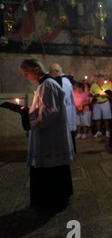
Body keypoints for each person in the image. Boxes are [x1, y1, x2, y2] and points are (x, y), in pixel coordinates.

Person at [19, 58, 75, 210]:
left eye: (26, 72)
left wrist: (27, 113)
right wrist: (30, 110)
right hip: (50, 134)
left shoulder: (48, 85)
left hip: (51, 137)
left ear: (36, 70)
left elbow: (50, 112)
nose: (25, 77)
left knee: (51, 167)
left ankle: (52, 199)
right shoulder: (45, 84)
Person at [48, 63, 77, 152]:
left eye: (51, 73)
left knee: (66, 133)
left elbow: (64, 98)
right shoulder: (64, 80)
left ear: (56, 71)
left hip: (66, 111)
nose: (51, 76)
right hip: (66, 110)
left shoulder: (63, 81)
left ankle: (68, 151)